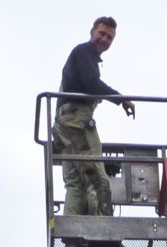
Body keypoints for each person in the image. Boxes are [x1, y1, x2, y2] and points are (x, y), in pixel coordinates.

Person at [54, 17, 135, 218]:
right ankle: (107, 239)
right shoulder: (83, 52)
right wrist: (121, 99)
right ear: (92, 32)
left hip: (65, 125)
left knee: (75, 184)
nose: (105, 39)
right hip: (77, 122)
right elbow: (92, 83)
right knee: (99, 181)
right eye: (102, 34)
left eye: (110, 37)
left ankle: (71, 239)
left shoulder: (82, 56)